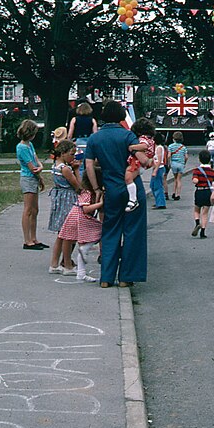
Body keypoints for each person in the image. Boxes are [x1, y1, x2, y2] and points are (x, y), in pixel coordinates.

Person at [84, 100, 148, 288]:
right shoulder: (128, 135)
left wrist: (96, 188)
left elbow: (89, 165)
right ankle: (127, 277)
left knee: (110, 231)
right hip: (132, 188)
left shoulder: (94, 138)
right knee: (133, 232)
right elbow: (140, 159)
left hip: (110, 188)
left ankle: (106, 277)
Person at [59, 163, 104, 283]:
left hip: (79, 218)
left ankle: (81, 273)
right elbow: (85, 209)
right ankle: (85, 251)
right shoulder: (87, 193)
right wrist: (100, 204)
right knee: (100, 232)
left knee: (84, 242)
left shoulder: (89, 192)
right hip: (80, 217)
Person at [47, 139, 81, 275]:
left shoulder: (56, 166)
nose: (73, 157)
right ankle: (67, 264)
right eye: (71, 154)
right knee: (68, 233)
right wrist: (77, 170)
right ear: (62, 153)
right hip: (68, 199)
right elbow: (78, 186)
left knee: (61, 234)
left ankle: (54, 263)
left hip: (60, 198)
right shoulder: (66, 169)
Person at [16, 119, 49, 251]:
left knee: (35, 210)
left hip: (34, 178)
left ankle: (34, 238)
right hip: (28, 179)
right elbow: (32, 167)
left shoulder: (30, 145)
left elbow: (37, 162)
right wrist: (39, 170)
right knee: (28, 209)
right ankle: (27, 240)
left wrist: (40, 170)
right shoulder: (22, 147)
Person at [123, 118, 156, 213]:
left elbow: (144, 146)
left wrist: (132, 147)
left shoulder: (143, 139)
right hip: (141, 164)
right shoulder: (150, 139)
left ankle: (133, 199)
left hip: (137, 163)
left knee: (128, 177)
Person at [190, 149, 214, 238]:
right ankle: (203, 231)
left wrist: (195, 180)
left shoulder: (196, 170)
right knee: (205, 213)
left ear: (199, 159)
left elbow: (195, 181)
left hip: (199, 191)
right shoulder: (212, 172)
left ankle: (197, 222)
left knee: (196, 209)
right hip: (208, 192)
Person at [167, 131, 188, 201]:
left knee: (175, 178)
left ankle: (174, 192)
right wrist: (184, 163)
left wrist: (168, 163)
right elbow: (186, 157)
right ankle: (178, 194)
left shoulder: (170, 146)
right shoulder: (183, 147)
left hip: (173, 164)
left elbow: (169, 155)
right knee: (179, 179)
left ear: (173, 139)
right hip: (181, 164)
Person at [150, 133, 167, 209]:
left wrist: (155, 170)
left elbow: (159, 160)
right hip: (157, 167)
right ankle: (158, 201)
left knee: (157, 186)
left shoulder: (159, 148)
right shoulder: (157, 147)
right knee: (152, 185)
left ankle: (160, 203)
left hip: (159, 168)